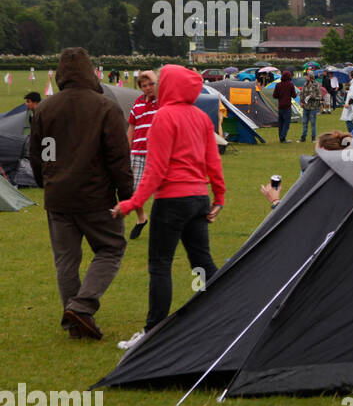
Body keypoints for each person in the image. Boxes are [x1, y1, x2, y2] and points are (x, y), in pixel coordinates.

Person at [111, 65, 224, 348]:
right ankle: (221, 319)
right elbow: (214, 162)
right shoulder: (201, 117)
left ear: (170, 85)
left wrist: (133, 203)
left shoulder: (163, 116)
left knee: (160, 266)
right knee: (202, 263)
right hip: (198, 200)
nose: (156, 86)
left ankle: (153, 332)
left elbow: (156, 169)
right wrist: (219, 197)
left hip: (172, 202)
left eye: (160, 82)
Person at [30, 48, 134, 340]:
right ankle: (82, 307)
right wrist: (127, 195)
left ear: (61, 74)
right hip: (96, 197)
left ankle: (75, 319)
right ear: (91, 72)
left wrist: (46, 182)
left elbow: (39, 154)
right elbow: (118, 158)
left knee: (66, 260)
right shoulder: (105, 108)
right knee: (111, 248)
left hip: (58, 196)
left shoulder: (45, 109)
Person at [126, 70, 159, 233]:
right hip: (137, 153)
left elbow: (161, 87)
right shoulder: (137, 103)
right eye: (144, 86)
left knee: (164, 192)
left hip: (157, 154)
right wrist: (127, 149)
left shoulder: (162, 101)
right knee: (133, 191)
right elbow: (131, 128)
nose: (148, 88)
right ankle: (141, 218)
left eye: (151, 84)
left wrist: (154, 78)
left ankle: (167, 224)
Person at [299, 71, 324, 142]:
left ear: (310, 76)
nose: (306, 77)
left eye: (307, 76)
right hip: (305, 107)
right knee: (304, 123)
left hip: (313, 107)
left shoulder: (316, 85)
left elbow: (319, 96)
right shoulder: (305, 84)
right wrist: (301, 101)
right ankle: (303, 138)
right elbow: (302, 94)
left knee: (313, 124)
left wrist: (312, 97)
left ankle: (313, 138)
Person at [273, 68, 296, 142]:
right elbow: (294, 95)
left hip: (280, 106)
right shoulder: (290, 85)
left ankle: (281, 138)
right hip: (287, 106)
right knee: (286, 123)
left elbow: (274, 95)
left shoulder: (278, 85)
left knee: (281, 123)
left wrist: (280, 96)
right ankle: (283, 137)